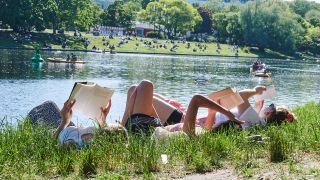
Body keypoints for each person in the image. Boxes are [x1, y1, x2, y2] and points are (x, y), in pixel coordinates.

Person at [120, 80, 243, 136]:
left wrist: (226, 112)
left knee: (145, 85)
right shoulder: (204, 133)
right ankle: (121, 131)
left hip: (145, 133)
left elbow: (196, 99)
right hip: (154, 129)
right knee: (134, 90)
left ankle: (121, 131)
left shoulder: (196, 135)